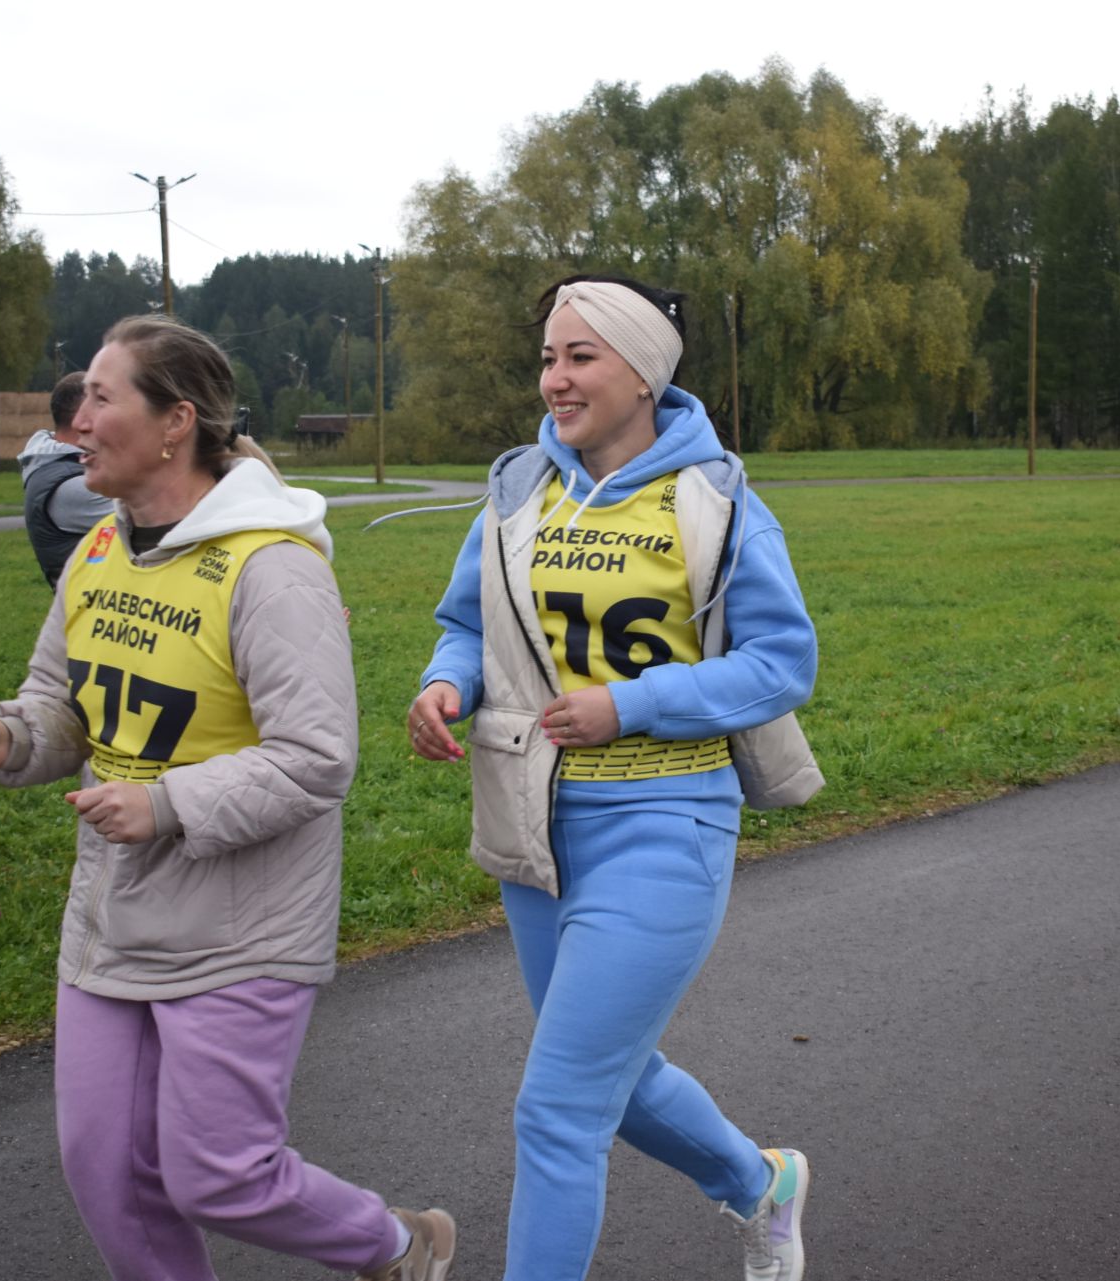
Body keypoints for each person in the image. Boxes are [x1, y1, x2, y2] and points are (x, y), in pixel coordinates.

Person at [0, 315, 455, 1281]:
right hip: (114, 912)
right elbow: (62, 703)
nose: (74, 419)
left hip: (242, 923)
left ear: (176, 422)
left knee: (217, 1174)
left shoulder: (273, 567)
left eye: (99, 396)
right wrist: (12, 736)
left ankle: (399, 1243)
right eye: (78, 397)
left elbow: (318, 756)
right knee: (106, 1172)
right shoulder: (100, 551)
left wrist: (167, 804)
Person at [407, 276, 822, 1281]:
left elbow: (782, 661)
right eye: (548, 357)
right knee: (613, 1079)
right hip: (536, 829)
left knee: (558, 1108)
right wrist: (444, 685)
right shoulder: (519, 489)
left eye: (580, 357)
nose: (555, 378)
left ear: (645, 373)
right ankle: (761, 1185)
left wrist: (630, 704)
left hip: (666, 823)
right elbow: (468, 622)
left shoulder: (714, 498)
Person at [19, 370, 116, 588]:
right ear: (82, 420)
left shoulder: (53, 467)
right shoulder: (72, 487)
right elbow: (160, 522)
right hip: (95, 611)